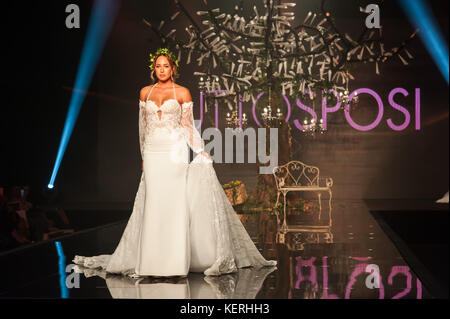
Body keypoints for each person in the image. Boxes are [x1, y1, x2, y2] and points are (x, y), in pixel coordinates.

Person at [73, 47, 276, 278]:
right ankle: (151, 262)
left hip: (175, 152)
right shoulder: (145, 93)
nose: (161, 70)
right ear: (153, 69)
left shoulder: (182, 93)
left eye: (165, 66)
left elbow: (188, 127)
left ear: (173, 68)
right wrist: (142, 155)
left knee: (174, 203)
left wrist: (200, 150)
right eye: (158, 66)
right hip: (152, 152)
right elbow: (143, 128)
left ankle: (175, 263)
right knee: (154, 203)